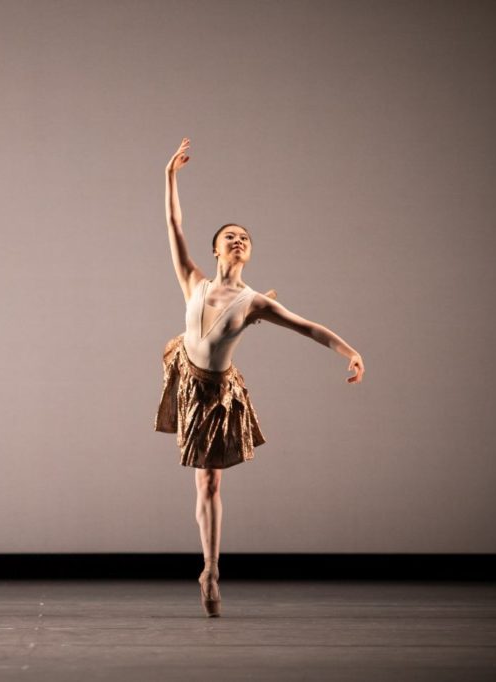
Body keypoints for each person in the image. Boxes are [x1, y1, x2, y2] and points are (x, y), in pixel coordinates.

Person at [155, 138, 364, 617]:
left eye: (245, 237)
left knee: (210, 484)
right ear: (215, 249)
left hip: (217, 393)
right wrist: (170, 176)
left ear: (249, 253)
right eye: (230, 235)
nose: (238, 240)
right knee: (201, 481)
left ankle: (210, 569)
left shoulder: (253, 303)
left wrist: (348, 350)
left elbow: (307, 326)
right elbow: (173, 224)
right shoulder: (193, 280)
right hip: (187, 378)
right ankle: (209, 567)